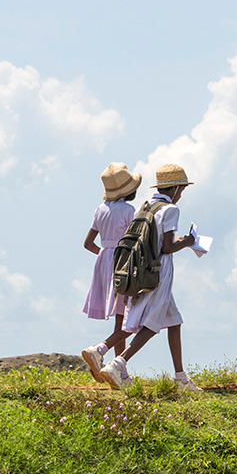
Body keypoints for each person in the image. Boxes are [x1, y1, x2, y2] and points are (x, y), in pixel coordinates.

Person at [98, 163, 202, 392]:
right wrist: (189, 241)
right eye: (181, 189)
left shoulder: (145, 207)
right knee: (152, 324)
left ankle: (180, 376)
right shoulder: (171, 210)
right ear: (174, 188)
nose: (182, 194)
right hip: (160, 271)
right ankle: (119, 362)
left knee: (174, 321)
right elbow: (166, 247)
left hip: (143, 269)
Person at [80, 162, 141, 382]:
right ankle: (104, 354)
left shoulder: (101, 209)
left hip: (104, 261)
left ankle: (120, 371)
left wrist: (105, 254)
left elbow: (88, 243)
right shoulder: (128, 211)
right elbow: (135, 241)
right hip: (122, 262)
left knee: (120, 317)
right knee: (128, 317)